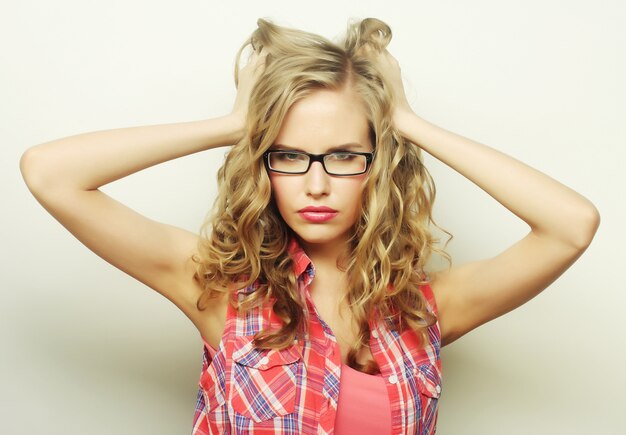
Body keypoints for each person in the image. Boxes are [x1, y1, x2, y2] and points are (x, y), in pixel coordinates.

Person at [20, 17, 599, 435]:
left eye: (345, 155)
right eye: (289, 155)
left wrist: (405, 121)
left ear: (378, 168)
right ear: (263, 165)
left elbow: (571, 225)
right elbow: (50, 173)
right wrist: (234, 124)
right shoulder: (220, 291)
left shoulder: (424, 310)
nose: (316, 184)